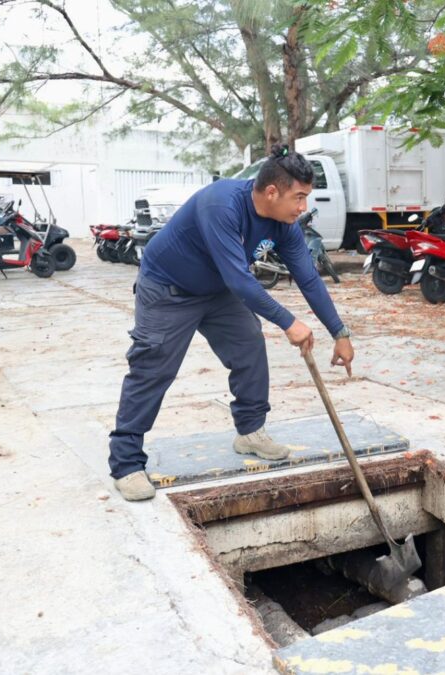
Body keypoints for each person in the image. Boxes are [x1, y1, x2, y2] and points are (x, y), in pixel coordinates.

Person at [108, 145, 355, 501]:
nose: (303, 207)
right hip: (167, 288)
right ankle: (126, 463)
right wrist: (289, 322)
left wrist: (339, 332)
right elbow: (241, 281)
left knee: (249, 345)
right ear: (272, 192)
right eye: (299, 197)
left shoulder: (283, 223)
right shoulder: (221, 204)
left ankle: (250, 432)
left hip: (217, 290)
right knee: (153, 366)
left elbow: (309, 277)